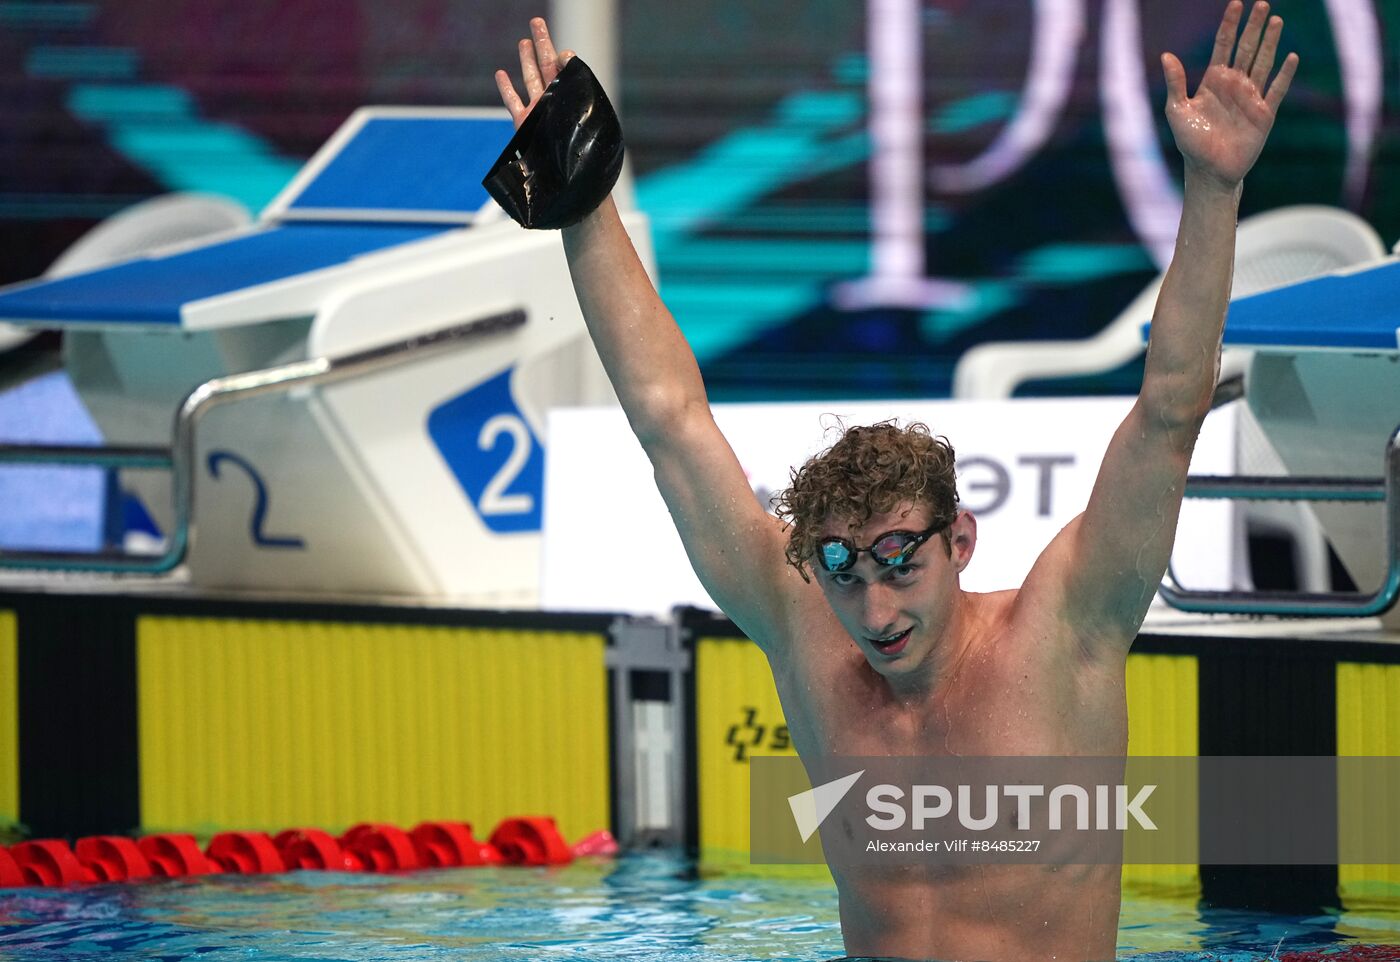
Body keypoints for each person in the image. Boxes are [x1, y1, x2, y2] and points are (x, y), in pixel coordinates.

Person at [495, 4, 1296, 959]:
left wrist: (1212, 188)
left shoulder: (1066, 631)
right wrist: (584, 213)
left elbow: (1169, 410)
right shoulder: (806, 638)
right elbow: (670, 422)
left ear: (959, 541)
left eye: (897, 562)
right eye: (841, 569)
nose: (873, 608)